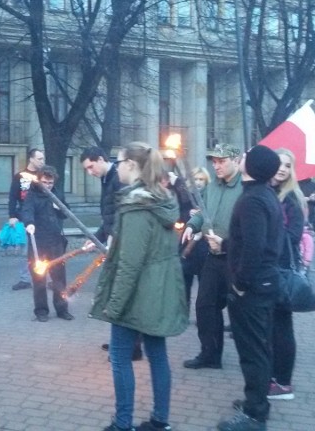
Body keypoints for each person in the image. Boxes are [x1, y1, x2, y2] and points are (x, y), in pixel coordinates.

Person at [90, 142, 187, 431]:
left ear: (132, 165)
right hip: (158, 292)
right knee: (157, 353)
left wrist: (114, 305)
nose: (116, 167)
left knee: (120, 357)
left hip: (136, 295)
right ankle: (160, 421)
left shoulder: (136, 207)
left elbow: (130, 264)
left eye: (119, 162)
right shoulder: (162, 199)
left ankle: (123, 424)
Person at [212, 145, 282, 431]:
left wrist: (240, 283)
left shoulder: (253, 199)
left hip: (252, 287)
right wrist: (227, 245)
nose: (240, 159)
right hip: (263, 282)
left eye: (244, 157)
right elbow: (254, 240)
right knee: (258, 347)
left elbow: (254, 247)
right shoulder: (263, 194)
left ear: (250, 167)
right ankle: (256, 402)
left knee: (252, 350)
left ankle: (255, 415)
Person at [182, 144, 243, 370]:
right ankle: (210, 354)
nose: (216, 166)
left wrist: (226, 242)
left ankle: (252, 359)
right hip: (213, 256)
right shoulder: (212, 187)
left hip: (235, 259)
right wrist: (192, 225)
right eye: (214, 162)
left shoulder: (245, 187)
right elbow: (203, 212)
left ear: (236, 160)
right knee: (205, 306)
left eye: (222, 161)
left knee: (240, 310)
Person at [80, 146, 143, 360]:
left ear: (100, 159)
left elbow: (121, 214)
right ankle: (123, 342)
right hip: (115, 241)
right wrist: (96, 237)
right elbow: (108, 216)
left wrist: (114, 240)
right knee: (115, 294)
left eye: (90, 166)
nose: (90, 172)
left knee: (122, 295)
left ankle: (130, 347)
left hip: (122, 245)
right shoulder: (107, 179)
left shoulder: (118, 178)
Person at [267, 148, 306, 402]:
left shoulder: (291, 198)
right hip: (269, 268)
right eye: (280, 164)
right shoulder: (267, 193)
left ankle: (283, 383)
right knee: (269, 328)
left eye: (288, 165)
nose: (283, 169)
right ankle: (272, 377)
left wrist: (268, 232)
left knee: (281, 327)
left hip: (281, 270)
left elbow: (293, 236)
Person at [21, 166, 73, 322]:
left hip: (56, 241)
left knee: (59, 278)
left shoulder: (56, 193)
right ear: (39, 180)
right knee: (39, 279)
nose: (48, 185)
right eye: (45, 182)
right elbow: (27, 210)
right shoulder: (32, 195)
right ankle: (41, 311)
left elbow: (66, 214)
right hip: (38, 242)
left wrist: (60, 209)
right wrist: (29, 223)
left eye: (50, 182)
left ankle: (62, 310)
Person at [8, 148, 45, 290]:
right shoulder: (20, 177)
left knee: (43, 248)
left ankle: (43, 276)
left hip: (42, 217)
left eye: (43, 159)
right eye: (39, 159)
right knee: (25, 250)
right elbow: (12, 196)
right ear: (31, 159)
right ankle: (25, 278)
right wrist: (12, 215)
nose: (42, 161)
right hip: (24, 217)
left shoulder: (44, 175)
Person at [181, 167, 211, 308]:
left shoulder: (210, 195)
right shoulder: (185, 196)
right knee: (185, 280)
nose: (198, 182)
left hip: (203, 244)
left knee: (204, 282)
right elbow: (178, 215)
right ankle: (183, 310)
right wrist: (188, 213)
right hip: (187, 242)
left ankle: (202, 311)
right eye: (196, 179)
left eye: (201, 179)